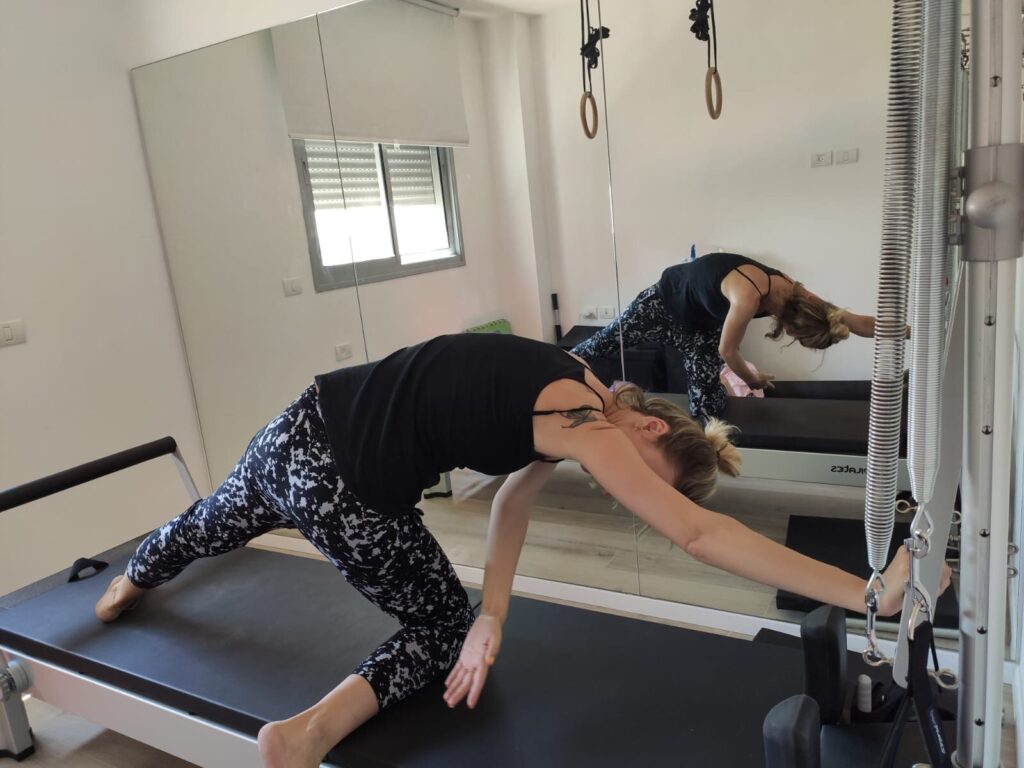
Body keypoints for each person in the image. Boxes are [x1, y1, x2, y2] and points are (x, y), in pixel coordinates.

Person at [93, 333, 926, 768]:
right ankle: (305, 735)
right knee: (438, 629)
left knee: (209, 521)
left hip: (295, 427)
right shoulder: (589, 424)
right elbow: (699, 534)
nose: (626, 492)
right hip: (347, 488)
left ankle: (130, 581)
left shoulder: (571, 382)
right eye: (655, 479)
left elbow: (509, 502)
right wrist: (868, 593)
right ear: (646, 426)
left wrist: (496, 613)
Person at [571, 252, 880, 420]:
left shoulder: (804, 299)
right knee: (600, 345)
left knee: (707, 406)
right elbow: (728, 352)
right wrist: (753, 380)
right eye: (796, 335)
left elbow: (859, 323)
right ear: (792, 324)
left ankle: (697, 461)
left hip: (702, 327)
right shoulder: (748, 296)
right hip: (663, 304)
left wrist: (905, 332)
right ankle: (558, 369)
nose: (789, 335)